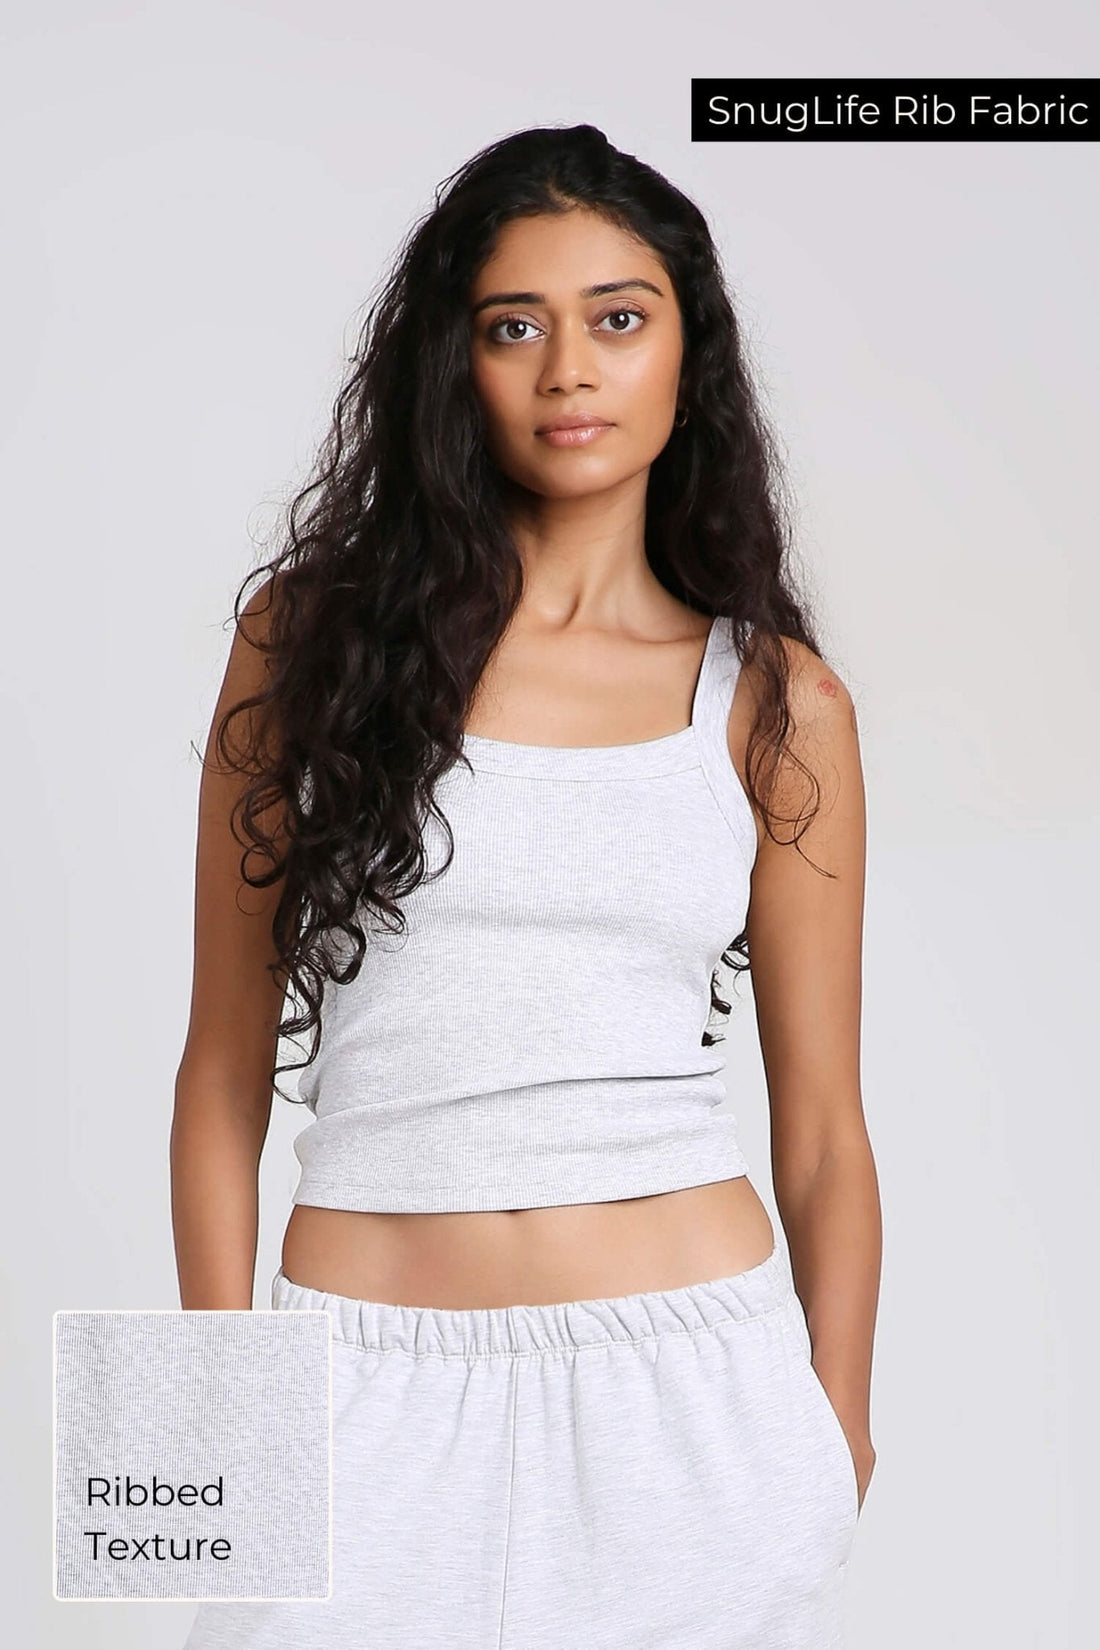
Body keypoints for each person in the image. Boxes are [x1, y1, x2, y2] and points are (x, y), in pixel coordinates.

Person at [173, 122, 881, 1648]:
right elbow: (219, 1076)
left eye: (618, 318)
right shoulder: (305, 642)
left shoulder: (781, 704)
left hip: (690, 1407)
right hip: (355, 1382)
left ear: (689, 355)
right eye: (515, 326)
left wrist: (837, 1430)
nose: (570, 370)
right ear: (455, 362)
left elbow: (824, 1129)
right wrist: (220, 1425)